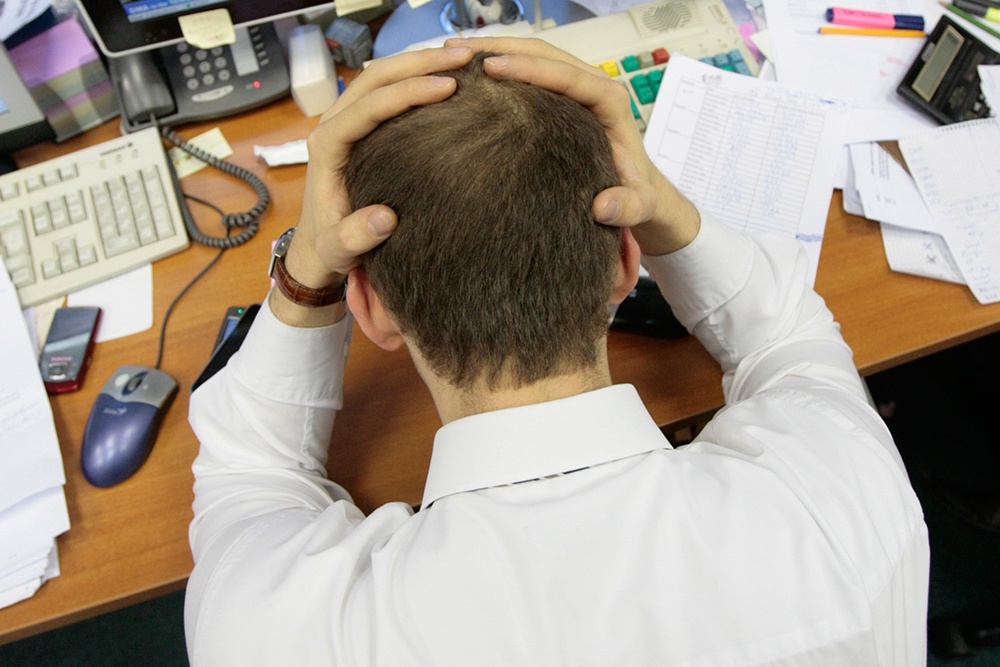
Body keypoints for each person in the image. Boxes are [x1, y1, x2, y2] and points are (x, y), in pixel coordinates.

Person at [184, 39, 930, 665]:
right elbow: (785, 330)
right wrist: (660, 197)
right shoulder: (842, 502)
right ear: (626, 264)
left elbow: (250, 468)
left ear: (370, 307)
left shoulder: (273, 632)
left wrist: (305, 274)